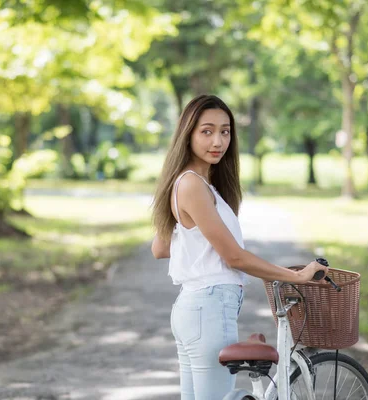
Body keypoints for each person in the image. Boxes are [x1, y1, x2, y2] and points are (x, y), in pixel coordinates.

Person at [150, 94, 327, 400]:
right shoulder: (192, 185)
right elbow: (233, 256)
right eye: (206, 131)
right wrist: (295, 276)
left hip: (193, 310)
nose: (217, 140)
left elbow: (161, 247)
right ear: (187, 134)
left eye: (225, 131)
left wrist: (196, 236)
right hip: (208, 308)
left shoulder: (192, 184)